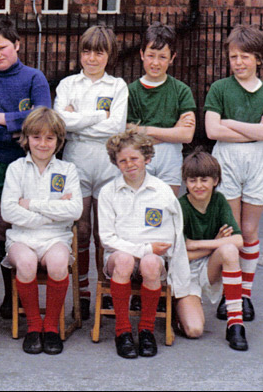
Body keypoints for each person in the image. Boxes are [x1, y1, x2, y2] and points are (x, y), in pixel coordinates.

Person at [204, 24, 263, 323]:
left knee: (249, 231)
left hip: (258, 162)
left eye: (245, 56)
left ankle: (245, 294)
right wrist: (254, 130)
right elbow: (212, 129)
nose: (238, 62)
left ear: (259, 59)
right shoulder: (220, 88)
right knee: (231, 231)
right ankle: (229, 294)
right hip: (226, 160)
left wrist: (231, 123)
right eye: (233, 56)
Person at [0, 17, 52, 319]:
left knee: (28, 223)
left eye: (3, 47)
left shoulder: (34, 78)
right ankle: (11, 295)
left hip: (29, 163)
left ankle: (27, 290)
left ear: (17, 45)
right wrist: (17, 129)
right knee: (3, 228)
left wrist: (4, 119)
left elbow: (43, 117)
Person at [53, 25, 128, 320]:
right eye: (87, 51)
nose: (92, 58)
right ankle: (82, 293)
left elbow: (116, 127)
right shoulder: (68, 84)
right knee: (81, 230)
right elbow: (61, 122)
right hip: (76, 159)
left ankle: (105, 291)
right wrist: (98, 115)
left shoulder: (117, 87)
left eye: (99, 52)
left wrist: (77, 117)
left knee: (104, 233)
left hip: (108, 160)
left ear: (109, 55)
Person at [97, 129, 190, 359]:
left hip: (152, 259)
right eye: (122, 160)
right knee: (125, 259)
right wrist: (144, 248)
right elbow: (107, 238)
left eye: (134, 158)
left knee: (150, 263)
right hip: (119, 259)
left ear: (147, 158)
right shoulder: (108, 192)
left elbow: (170, 236)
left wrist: (149, 252)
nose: (129, 164)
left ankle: (146, 329)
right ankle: (123, 331)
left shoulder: (162, 192)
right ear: (116, 163)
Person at [0, 107, 82, 355]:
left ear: (59, 140)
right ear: (26, 139)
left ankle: (51, 328)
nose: (43, 144)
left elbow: (75, 210)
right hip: (21, 238)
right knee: (25, 264)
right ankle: (34, 327)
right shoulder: (16, 168)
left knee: (58, 263)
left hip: (56, 238)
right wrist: (56, 210)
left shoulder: (68, 171)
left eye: (50, 138)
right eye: (37, 137)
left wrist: (32, 205)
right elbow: (8, 212)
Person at [176, 151, 248, 351]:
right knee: (194, 330)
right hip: (185, 272)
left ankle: (235, 323)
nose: (198, 185)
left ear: (215, 180)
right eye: (192, 180)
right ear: (186, 181)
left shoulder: (219, 201)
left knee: (229, 250)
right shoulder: (181, 206)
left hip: (207, 266)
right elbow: (180, 256)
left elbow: (239, 240)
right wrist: (213, 243)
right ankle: (178, 307)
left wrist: (199, 244)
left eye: (204, 179)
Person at [127, 22, 196, 195]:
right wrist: (172, 132)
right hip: (139, 156)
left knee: (166, 208)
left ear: (172, 57)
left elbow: (186, 135)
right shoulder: (131, 91)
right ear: (142, 54)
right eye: (151, 55)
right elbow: (129, 134)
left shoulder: (181, 90)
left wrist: (144, 130)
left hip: (170, 158)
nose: (155, 63)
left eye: (163, 57)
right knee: (138, 207)